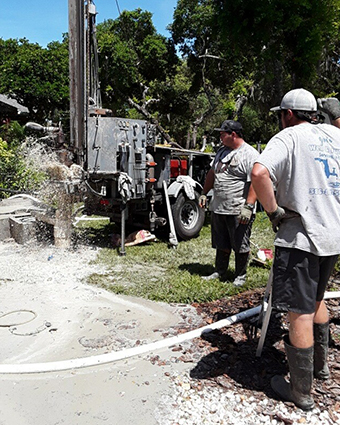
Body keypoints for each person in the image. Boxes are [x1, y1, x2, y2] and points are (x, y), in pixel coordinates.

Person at [251, 89, 340, 411]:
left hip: (302, 236)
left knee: (299, 312)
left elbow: (259, 173)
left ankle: (300, 392)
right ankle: (321, 368)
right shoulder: (334, 134)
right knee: (317, 300)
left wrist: (273, 211)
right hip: (333, 235)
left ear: (288, 113)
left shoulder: (288, 137)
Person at [199, 119, 259, 286]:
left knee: (240, 244)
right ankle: (220, 271)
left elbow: (255, 182)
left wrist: (248, 206)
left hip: (238, 208)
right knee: (221, 242)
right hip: (219, 207)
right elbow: (212, 172)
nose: (220, 136)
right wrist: (204, 193)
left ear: (233, 135)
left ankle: (240, 275)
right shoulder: (221, 152)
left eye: (222, 133)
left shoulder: (250, 154)